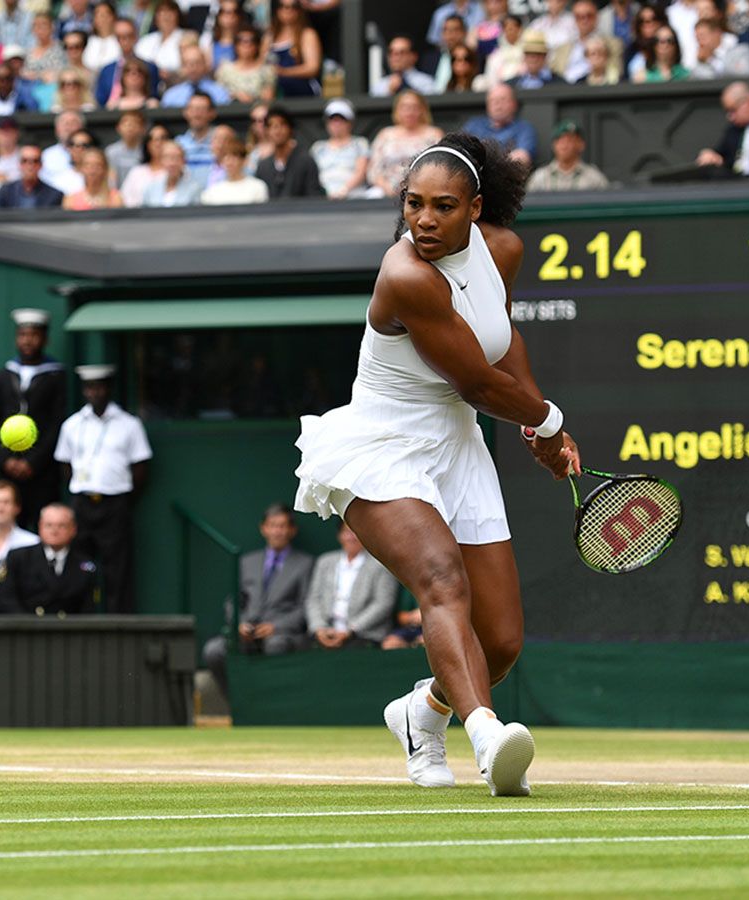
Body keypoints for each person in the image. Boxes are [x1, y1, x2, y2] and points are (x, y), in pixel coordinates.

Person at [294, 133, 582, 795]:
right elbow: (478, 385)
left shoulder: (501, 250)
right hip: (383, 446)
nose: (423, 219)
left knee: (501, 642)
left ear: (475, 209)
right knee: (439, 578)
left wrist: (538, 426)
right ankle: (487, 736)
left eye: (443, 206)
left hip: (458, 446)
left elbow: (501, 342)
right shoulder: (406, 276)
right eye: (413, 204)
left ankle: (421, 716)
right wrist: (547, 421)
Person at [53, 365, 151, 614]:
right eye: (89, 387)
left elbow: (140, 468)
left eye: (99, 387)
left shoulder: (129, 424)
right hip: (83, 502)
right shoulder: (72, 425)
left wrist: (123, 497)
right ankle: (80, 618)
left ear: (109, 389)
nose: (94, 392)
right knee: (80, 564)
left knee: (117, 569)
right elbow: (65, 464)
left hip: (114, 503)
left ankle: (120, 623)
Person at [201, 505, 314, 694]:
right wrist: (240, 623)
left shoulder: (305, 563)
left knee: (275, 646)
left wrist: (276, 627)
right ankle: (237, 703)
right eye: (273, 526)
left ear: (292, 530)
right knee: (213, 650)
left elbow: (305, 606)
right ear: (264, 529)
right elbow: (233, 601)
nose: (277, 531)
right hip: (247, 632)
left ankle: (269, 705)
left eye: (282, 526)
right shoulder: (247, 561)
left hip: (281, 634)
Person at [0, 309, 66, 530]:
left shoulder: (56, 376)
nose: (27, 340)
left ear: (45, 339)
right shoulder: (3, 376)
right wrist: (5, 460)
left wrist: (33, 462)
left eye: (34, 335)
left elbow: (58, 424)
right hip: (7, 471)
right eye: (23, 335)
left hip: (43, 473)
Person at [306, 521, 400, 649]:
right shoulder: (325, 562)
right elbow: (314, 599)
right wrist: (319, 628)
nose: (351, 537)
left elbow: (383, 603)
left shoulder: (380, 565)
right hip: (326, 632)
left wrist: (350, 629)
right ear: (339, 536)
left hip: (364, 635)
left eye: (356, 532)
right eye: (347, 532)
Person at [0, 503, 96, 615]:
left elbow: (88, 609)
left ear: (73, 529)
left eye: (61, 526)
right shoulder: (18, 558)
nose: (54, 531)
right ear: (40, 527)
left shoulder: (84, 566)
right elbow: (6, 599)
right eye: (49, 525)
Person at [370, 91, 446, 197]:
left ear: (422, 110)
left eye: (414, 107)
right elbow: (374, 169)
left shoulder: (434, 134)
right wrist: (387, 188)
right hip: (386, 190)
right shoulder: (385, 134)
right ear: (397, 110)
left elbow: (441, 166)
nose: (410, 112)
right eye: (405, 107)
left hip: (424, 188)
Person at [253, 106, 323, 199]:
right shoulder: (263, 166)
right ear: (266, 131)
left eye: (282, 124)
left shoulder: (306, 161)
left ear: (290, 129)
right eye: (272, 126)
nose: (277, 131)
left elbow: (314, 196)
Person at [461, 84, 537, 167]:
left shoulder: (524, 128)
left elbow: (522, 158)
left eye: (502, 99)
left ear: (514, 104)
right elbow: (459, 148)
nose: (497, 104)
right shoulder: (474, 125)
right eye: (493, 100)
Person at [527, 119, 610, 191]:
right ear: (554, 145)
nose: (565, 145)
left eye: (570, 140)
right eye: (561, 141)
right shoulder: (540, 177)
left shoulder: (594, 178)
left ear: (581, 145)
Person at [312, 99, 371, 199]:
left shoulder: (360, 143)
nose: (336, 124)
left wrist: (343, 191)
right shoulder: (317, 148)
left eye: (341, 120)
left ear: (350, 123)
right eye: (332, 120)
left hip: (354, 196)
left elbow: (361, 173)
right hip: (322, 198)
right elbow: (312, 176)